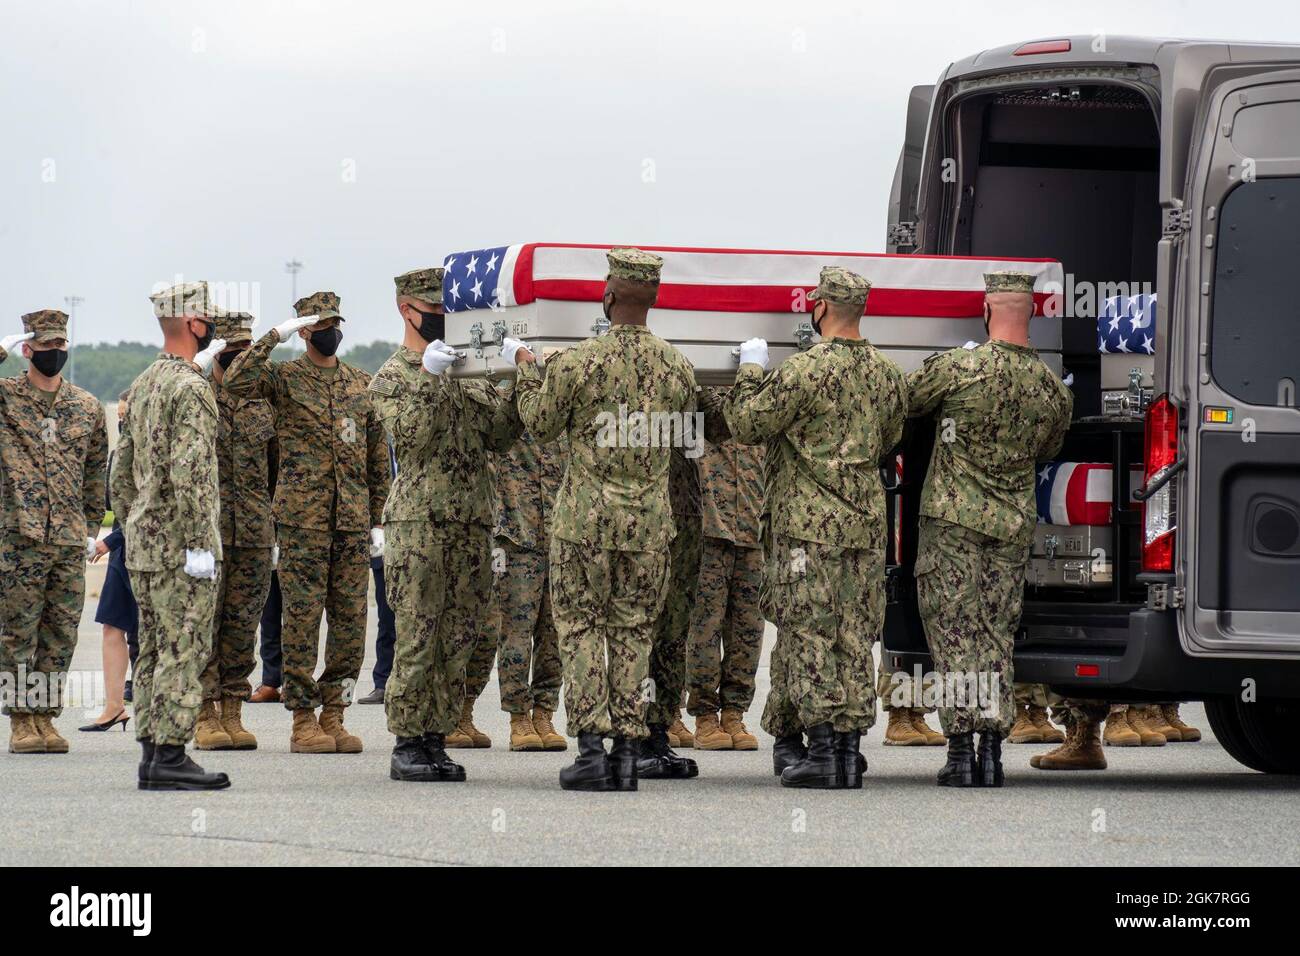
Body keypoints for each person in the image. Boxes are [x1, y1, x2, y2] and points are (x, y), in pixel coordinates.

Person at [508, 248, 700, 792]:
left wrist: (526, 370)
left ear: (608, 296)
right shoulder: (677, 366)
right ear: (655, 300)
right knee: (636, 632)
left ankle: (592, 750)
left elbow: (540, 424)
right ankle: (626, 752)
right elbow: (694, 436)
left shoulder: (577, 362)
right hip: (650, 530)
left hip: (584, 527)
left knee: (581, 629)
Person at [726, 266, 906, 790]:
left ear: (820, 308)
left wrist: (750, 371)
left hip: (808, 531)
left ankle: (824, 749)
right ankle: (848, 750)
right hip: (866, 528)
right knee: (853, 634)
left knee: (809, 632)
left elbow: (746, 424)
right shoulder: (888, 375)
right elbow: (890, 440)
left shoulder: (804, 371)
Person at [907, 271, 1073, 786]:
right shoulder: (1050, 390)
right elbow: (1048, 450)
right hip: (1011, 525)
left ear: (986, 311)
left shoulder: (959, 368)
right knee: (996, 633)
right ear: (1031, 317)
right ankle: (993, 754)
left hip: (954, 524)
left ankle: (961, 752)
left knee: (955, 633)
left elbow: (905, 404)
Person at [368, 266, 521, 782]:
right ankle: (408, 741)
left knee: (461, 634)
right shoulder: (393, 376)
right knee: (418, 632)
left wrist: (513, 378)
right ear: (406, 309)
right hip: (419, 524)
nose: (440, 320)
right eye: (432, 311)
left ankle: (437, 734)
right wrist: (432, 379)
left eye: (445, 312)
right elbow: (411, 438)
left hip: (471, 521)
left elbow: (500, 436)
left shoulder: (467, 371)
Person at [223, 291, 391, 754]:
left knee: (351, 622)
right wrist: (272, 338)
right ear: (305, 333)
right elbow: (236, 382)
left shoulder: (361, 384)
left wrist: (377, 520)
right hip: (301, 522)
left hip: (352, 523)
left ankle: (335, 712)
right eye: (320, 327)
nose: (330, 333)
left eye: (335, 324)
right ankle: (302, 718)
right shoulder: (284, 379)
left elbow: (377, 458)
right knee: (301, 620)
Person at [110, 281, 229, 789]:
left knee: (154, 649)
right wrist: (201, 541)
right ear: (194, 324)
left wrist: (136, 522)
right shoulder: (190, 387)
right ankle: (172, 754)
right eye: (209, 319)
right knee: (185, 649)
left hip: (143, 545)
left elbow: (120, 475)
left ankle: (152, 753)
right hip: (183, 548)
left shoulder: (141, 384)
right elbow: (192, 473)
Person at [0, 311, 108, 754]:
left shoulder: (85, 406)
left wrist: (88, 526)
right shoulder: (6, 397)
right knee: (17, 631)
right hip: (18, 535)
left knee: (61, 632)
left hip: (66, 538)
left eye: (61, 347)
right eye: (46, 349)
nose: (55, 355)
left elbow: (95, 470)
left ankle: (45, 717)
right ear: (28, 351)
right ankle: (21, 721)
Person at [193, 311, 276, 751]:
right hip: (209, 535)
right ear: (217, 354)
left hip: (254, 533)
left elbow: (277, 470)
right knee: (207, 625)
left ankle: (233, 710)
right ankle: (204, 713)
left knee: (243, 626)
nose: (243, 359)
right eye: (234, 352)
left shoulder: (262, 404)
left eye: (249, 351)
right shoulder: (197, 399)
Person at [685, 386, 765, 751]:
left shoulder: (758, 395)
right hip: (710, 529)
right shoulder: (702, 390)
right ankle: (704, 714)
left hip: (752, 527)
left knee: (748, 628)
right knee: (704, 626)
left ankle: (734, 712)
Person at [485, 402, 568, 752]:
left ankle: (544, 713)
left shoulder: (564, 410)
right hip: (517, 536)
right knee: (517, 631)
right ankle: (519, 716)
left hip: (562, 535)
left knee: (555, 632)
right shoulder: (510, 407)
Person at [85, 391, 138, 732]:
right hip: (123, 554)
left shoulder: (152, 453)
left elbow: (147, 509)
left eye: (127, 416)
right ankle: (114, 706)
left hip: (150, 552)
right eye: (118, 417)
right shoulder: (121, 453)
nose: (121, 422)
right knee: (112, 627)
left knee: (152, 635)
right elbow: (114, 507)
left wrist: (108, 541)